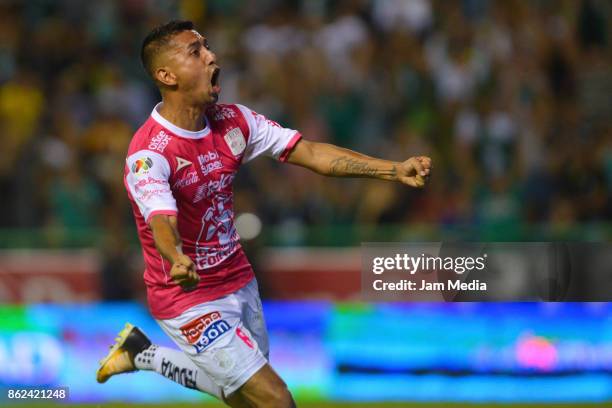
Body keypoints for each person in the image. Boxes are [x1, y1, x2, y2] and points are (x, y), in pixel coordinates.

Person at [96, 20, 432, 408]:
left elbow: (311, 153)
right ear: (166, 75)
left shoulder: (234, 122)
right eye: (195, 51)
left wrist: (393, 169)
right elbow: (161, 220)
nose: (211, 56)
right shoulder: (149, 154)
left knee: (245, 400)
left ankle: (142, 354)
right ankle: (144, 354)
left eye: (206, 46)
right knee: (276, 400)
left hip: (239, 279)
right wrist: (175, 259)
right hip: (186, 296)